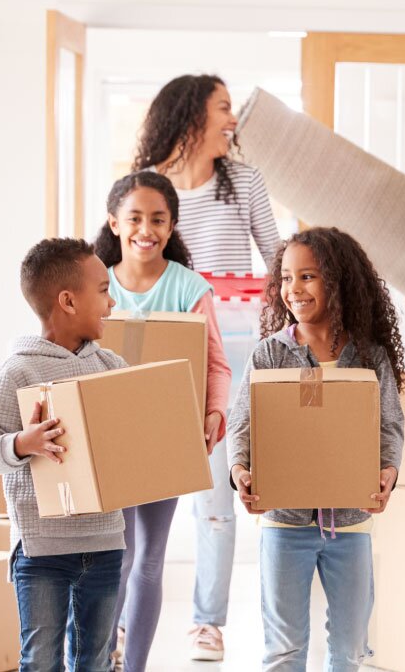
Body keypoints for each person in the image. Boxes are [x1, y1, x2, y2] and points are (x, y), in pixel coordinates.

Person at [133, 73, 283, 663]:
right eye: (223, 108)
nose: (233, 119)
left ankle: (207, 622)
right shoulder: (150, 192)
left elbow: (277, 262)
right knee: (139, 485)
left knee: (217, 494)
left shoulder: (243, 181)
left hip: (234, 350)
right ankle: (124, 617)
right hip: (165, 349)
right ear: (192, 115)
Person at [228, 227, 405, 672]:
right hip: (284, 524)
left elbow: (389, 426)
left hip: (350, 524)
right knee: (284, 649)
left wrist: (389, 469)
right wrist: (239, 468)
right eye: (286, 278)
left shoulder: (369, 357)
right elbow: (242, 422)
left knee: (349, 648)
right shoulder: (270, 354)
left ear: (339, 281)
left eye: (307, 276)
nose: (294, 289)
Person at [93, 172, 233, 672]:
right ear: (115, 223)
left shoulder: (189, 289)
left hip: (167, 440)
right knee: (119, 558)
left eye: (158, 219)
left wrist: (215, 413)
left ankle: (133, 667)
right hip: (108, 442)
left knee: (149, 560)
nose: (145, 230)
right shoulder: (95, 283)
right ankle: (100, 659)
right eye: (134, 218)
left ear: (172, 226)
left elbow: (216, 363)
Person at [0, 237, 128, 672]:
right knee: (41, 661)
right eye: (102, 290)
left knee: (96, 659)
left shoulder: (111, 367)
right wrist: (24, 443)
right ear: (67, 300)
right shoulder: (19, 370)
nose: (111, 302)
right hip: (42, 550)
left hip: (104, 542)